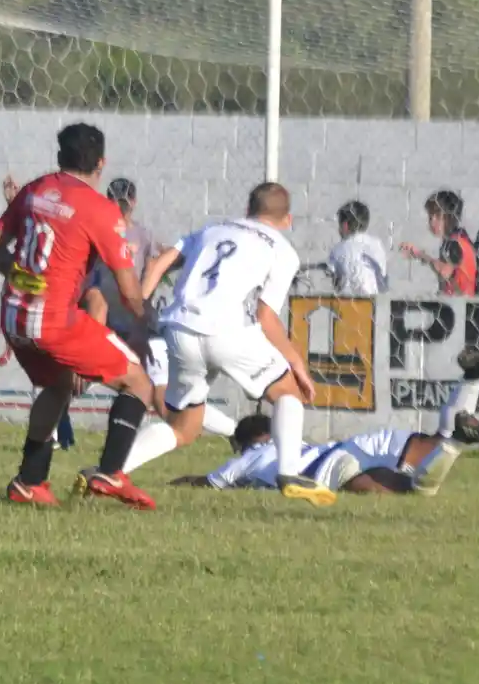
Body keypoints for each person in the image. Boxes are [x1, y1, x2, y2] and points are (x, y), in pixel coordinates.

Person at [116, 183, 334, 507]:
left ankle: (111, 469)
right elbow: (265, 316)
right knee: (290, 394)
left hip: (180, 329)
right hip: (228, 331)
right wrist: (296, 362)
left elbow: (158, 263)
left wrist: (138, 311)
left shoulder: (212, 228)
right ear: (287, 219)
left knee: (182, 427)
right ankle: (288, 473)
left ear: (247, 209)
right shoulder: (283, 250)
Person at [0, 122, 158, 510]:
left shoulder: (34, 191)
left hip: (13, 316)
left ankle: (29, 481)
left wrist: (29, 280)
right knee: (139, 384)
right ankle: (111, 473)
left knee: (59, 386)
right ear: (101, 163)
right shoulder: (100, 210)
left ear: (60, 156)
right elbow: (129, 291)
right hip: (55, 321)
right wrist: (150, 322)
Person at [173, 352, 479, 494]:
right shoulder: (292, 445)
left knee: (415, 490)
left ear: (253, 440)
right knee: (435, 443)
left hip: (331, 467)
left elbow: (210, 482)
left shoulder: (252, 457)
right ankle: (471, 381)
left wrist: (178, 482)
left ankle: (458, 440)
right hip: (359, 446)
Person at [399, 190, 477, 296]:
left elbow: (444, 272)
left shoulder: (457, 243)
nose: (432, 221)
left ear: (450, 217)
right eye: (430, 216)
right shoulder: (453, 240)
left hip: (463, 306)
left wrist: (419, 254)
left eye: (438, 216)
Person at [321, 200, 388, 296]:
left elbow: (330, 274)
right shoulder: (377, 244)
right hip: (373, 304)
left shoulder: (338, 249)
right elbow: (383, 273)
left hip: (347, 305)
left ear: (345, 225)